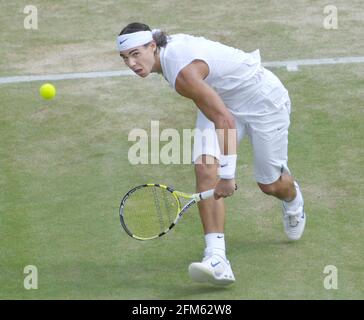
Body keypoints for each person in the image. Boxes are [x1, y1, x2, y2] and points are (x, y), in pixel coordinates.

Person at [117, 22, 306, 286]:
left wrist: (227, 176)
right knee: (205, 168)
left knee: (271, 184)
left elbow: (224, 121)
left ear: (152, 46)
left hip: (263, 101)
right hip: (223, 100)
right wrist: (217, 171)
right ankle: (216, 258)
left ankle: (293, 198)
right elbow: (219, 112)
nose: (131, 63)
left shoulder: (181, 73)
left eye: (136, 54)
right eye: (125, 57)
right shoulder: (166, 52)